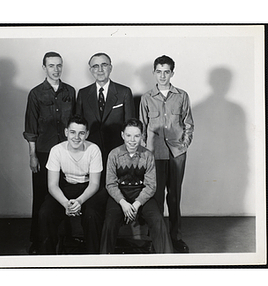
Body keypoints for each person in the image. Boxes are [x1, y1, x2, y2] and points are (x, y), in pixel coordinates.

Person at [139, 55, 194, 253]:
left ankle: (175, 238)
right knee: (155, 198)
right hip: (155, 154)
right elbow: (142, 128)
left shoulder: (181, 96)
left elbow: (188, 123)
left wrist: (184, 145)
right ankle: (156, 238)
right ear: (154, 72)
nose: (163, 76)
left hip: (176, 154)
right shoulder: (147, 98)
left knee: (174, 196)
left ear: (172, 73)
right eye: (159, 72)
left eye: (167, 72)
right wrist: (146, 152)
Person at [23, 52, 76, 254]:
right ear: (44, 68)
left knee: (64, 192)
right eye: (51, 66)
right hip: (44, 152)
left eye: (59, 65)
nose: (56, 69)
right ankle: (38, 241)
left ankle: (63, 239)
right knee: (42, 196)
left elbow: (75, 123)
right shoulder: (36, 94)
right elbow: (30, 127)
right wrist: (32, 155)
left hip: (67, 152)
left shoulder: (70, 91)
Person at [100, 118, 173, 254]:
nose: (132, 140)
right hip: (119, 195)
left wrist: (136, 204)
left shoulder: (148, 156)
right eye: (128, 135)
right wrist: (123, 203)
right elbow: (110, 184)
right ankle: (104, 260)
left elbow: (150, 186)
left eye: (136, 136)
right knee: (109, 221)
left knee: (157, 219)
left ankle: (167, 260)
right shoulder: (114, 154)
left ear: (142, 136)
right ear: (122, 135)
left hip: (141, 195)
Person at [37, 115, 105, 254]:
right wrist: (65, 204)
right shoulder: (57, 150)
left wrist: (79, 201)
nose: (76, 137)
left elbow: (94, 183)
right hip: (66, 187)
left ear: (87, 134)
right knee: (45, 213)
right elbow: (52, 185)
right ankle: (47, 260)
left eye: (81, 133)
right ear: (66, 132)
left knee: (92, 215)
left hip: (88, 189)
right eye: (73, 132)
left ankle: (93, 260)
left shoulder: (94, 149)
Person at [76, 52, 135, 180]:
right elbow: (78, 127)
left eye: (104, 65)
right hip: (90, 152)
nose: (100, 70)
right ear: (91, 70)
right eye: (95, 66)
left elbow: (131, 127)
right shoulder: (83, 93)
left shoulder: (124, 92)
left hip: (118, 153)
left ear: (110, 67)